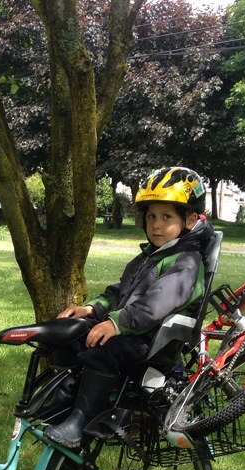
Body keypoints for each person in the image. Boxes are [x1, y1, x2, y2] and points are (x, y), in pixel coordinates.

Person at [44, 166, 214, 448]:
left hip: (153, 343)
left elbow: (155, 304)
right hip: (133, 331)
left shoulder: (186, 262)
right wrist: (91, 309)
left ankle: (82, 420)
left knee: (103, 349)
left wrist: (115, 323)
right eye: (151, 216)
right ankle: (64, 401)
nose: (156, 225)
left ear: (190, 220)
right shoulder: (149, 257)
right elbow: (119, 292)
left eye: (166, 217)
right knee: (70, 332)